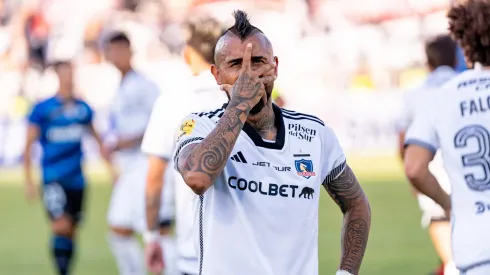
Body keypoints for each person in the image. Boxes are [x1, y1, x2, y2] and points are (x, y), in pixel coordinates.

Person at [166, 10, 371, 275]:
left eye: (258, 62)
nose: (248, 75)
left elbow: (356, 204)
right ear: (217, 75)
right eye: (236, 64)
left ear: (274, 66)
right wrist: (240, 103)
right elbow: (197, 177)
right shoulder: (199, 126)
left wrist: (346, 273)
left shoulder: (314, 133)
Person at [404, 1, 490, 274]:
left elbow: (414, 167)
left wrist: (449, 204)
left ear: (464, 44)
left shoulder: (443, 97)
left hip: (475, 247)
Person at [142, 15, 227, 275]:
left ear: (188, 53)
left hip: (193, 248)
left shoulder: (171, 101)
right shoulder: (245, 99)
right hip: (243, 250)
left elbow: (155, 178)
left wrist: (151, 235)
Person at [24, 60, 112, 275]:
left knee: (71, 230)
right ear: (57, 76)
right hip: (53, 177)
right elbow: (28, 145)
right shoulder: (44, 109)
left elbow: (97, 139)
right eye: (64, 73)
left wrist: (112, 169)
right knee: (60, 225)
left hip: (77, 179)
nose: (68, 78)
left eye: (71, 73)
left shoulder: (83, 108)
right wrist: (28, 180)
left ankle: (66, 270)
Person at [103, 32, 175, 275]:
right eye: (113, 51)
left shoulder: (146, 85)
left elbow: (161, 123)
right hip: (129, 167)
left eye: (121, 50)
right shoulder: (118, 87)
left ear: (131, 52)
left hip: (147, 163)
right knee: (119, 228)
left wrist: (127, 141)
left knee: (157, 230)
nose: (117, 56)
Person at [396, 34, 459, 275]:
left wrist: (410, 173)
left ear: (428, 61)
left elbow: (402, 139)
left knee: (443, 228)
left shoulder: (415, 93)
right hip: (465, 169)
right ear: (455, 58)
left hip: (429, 169)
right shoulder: (465, 85)